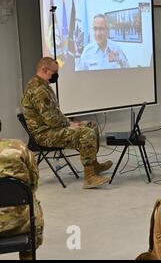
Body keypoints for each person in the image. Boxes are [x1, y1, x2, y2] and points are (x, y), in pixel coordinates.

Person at [21, 57, 112, 189]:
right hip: (44, 134)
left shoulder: (43, 85)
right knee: (86, 133)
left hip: (52, 127)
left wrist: (69, 123)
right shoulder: (38, 90)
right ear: (45, 70)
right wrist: (69, 125)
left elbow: (55, 113)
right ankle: (89, 178)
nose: (56, 75)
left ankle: (93, 165)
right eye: (54, 72)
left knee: (91, 125)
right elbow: (51, 120)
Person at [0, 120, 44, 260]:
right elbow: (33, 183)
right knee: (32, 199)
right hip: (20, 223)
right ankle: (27, 255)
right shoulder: (19, 148)